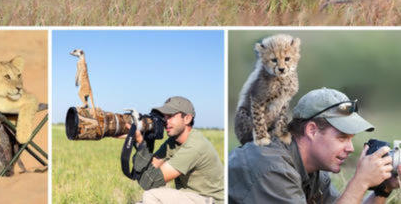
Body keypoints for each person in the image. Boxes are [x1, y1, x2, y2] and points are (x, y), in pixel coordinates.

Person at [229, 87, 401, 203]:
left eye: (351, 138)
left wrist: (382, 188)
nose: (351, 148)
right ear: (312, 130)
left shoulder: (313, 172)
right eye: (342, 138)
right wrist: (360, 182)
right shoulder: (271, 168)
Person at [129, 96, 224, 204]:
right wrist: (142, 140)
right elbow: (146, 173)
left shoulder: (195, 146)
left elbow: (151, 181)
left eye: (170, 116)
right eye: (164, 117)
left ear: (187, 118)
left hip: (210, 199)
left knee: (151, 196)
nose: (165, 121)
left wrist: (141, 145)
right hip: (191, 197)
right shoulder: (173, 142)